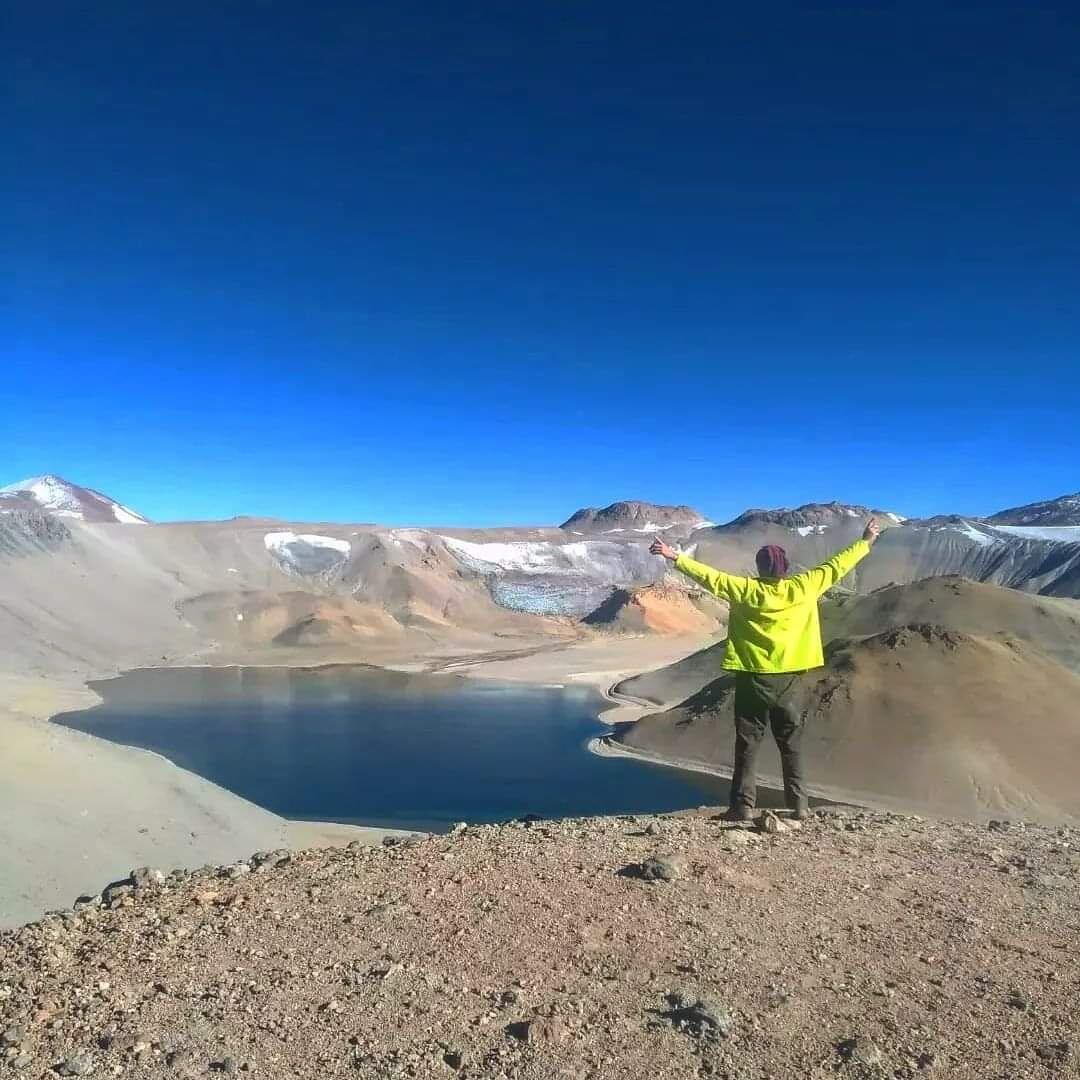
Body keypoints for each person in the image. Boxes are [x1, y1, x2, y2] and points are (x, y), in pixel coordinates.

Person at [650, 518, 881, 821]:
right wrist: (865, 540)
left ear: (759, 568)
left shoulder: (744, 589)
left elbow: (709, 577)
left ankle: (742, 807)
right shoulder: (804, 586)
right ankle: (799, 806)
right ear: (785, 568)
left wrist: (673, 556)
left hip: (752, 679)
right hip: (790, 681)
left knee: (747, 745)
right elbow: (836, 566)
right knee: (791, 745)